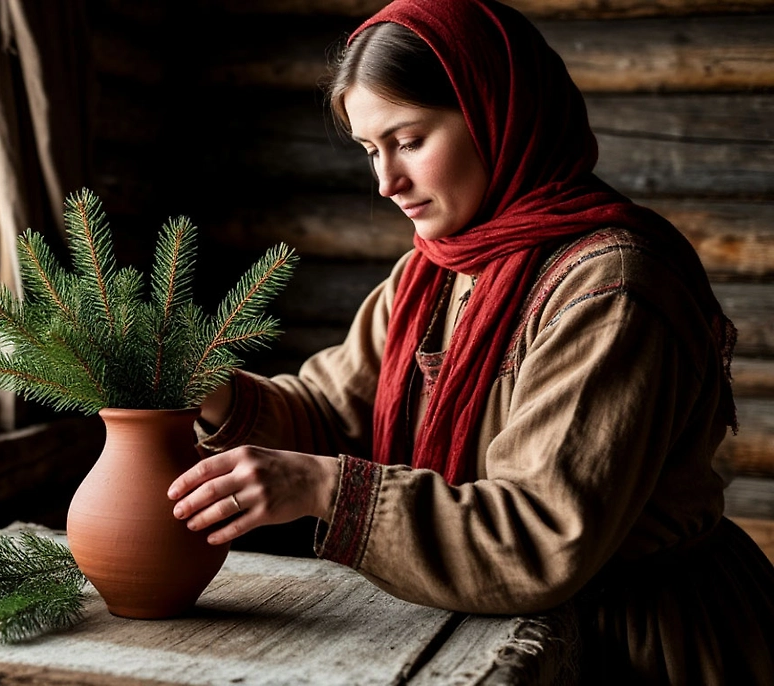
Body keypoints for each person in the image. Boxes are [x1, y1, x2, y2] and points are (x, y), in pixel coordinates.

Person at [166, 0, 774, 681]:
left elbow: (541, 535)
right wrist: (210, 389)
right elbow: (330, 414)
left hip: (633, 646)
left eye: (410, 140)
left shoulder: (614, 286)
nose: (385, 182)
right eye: (371, 149)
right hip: (480, 636)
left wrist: (327, 489)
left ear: (496, 114)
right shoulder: (430, 274)